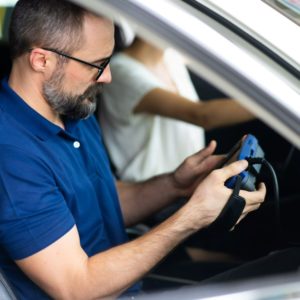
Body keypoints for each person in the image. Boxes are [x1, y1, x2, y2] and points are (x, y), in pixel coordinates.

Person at [0, 1, 266, 299]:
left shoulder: (71, 108)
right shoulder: (11, 155)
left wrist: (175, 184)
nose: (108, 77)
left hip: (130, 285)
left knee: (275, 264)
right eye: (97, 64)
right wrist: (193, 216)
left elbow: (102, 202)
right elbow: (76, 285)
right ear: (41, 60)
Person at [98, 36, 255, 182]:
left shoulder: (170, 57)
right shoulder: (121, 72)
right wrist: (265, 104)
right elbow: (201, 115)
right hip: (154, 196)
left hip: (190, 181)